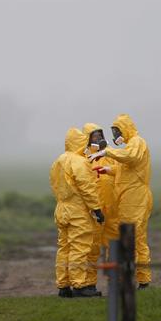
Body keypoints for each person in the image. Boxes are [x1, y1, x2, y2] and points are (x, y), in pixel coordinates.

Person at [88, 114, 153, 289]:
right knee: (134, 238)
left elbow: (130, 157)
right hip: (129, 198)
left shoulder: (137, 142)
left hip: (135, 198)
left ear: (125, 129)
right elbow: (127, 170)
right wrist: (108, 170)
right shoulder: (131, 144)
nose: (115, 136)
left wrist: (107, 152)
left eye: (116, 131)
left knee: (132, 238)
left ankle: (134, 280)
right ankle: (141, 280)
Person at [50, 127, 105, 298]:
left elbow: (55, 184)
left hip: (61, 209)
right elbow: (87, 188)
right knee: (79, 248)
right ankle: (80, 286)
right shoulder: (79, 162)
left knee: (64, 248)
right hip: (77, 210)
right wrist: (96, 209)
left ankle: (63, 286)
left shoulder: (59, 160)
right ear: (81, 141)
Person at [81, 123, 118, 294]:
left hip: (112, 206)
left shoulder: (109, 152)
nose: (98, 139)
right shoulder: (83, 155)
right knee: (93, 246)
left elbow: (121, 170)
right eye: (94, 136)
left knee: (114, 245)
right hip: (94, 208)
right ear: (87, 138)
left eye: (99, 135)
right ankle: (89, 284)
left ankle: (115, 282)